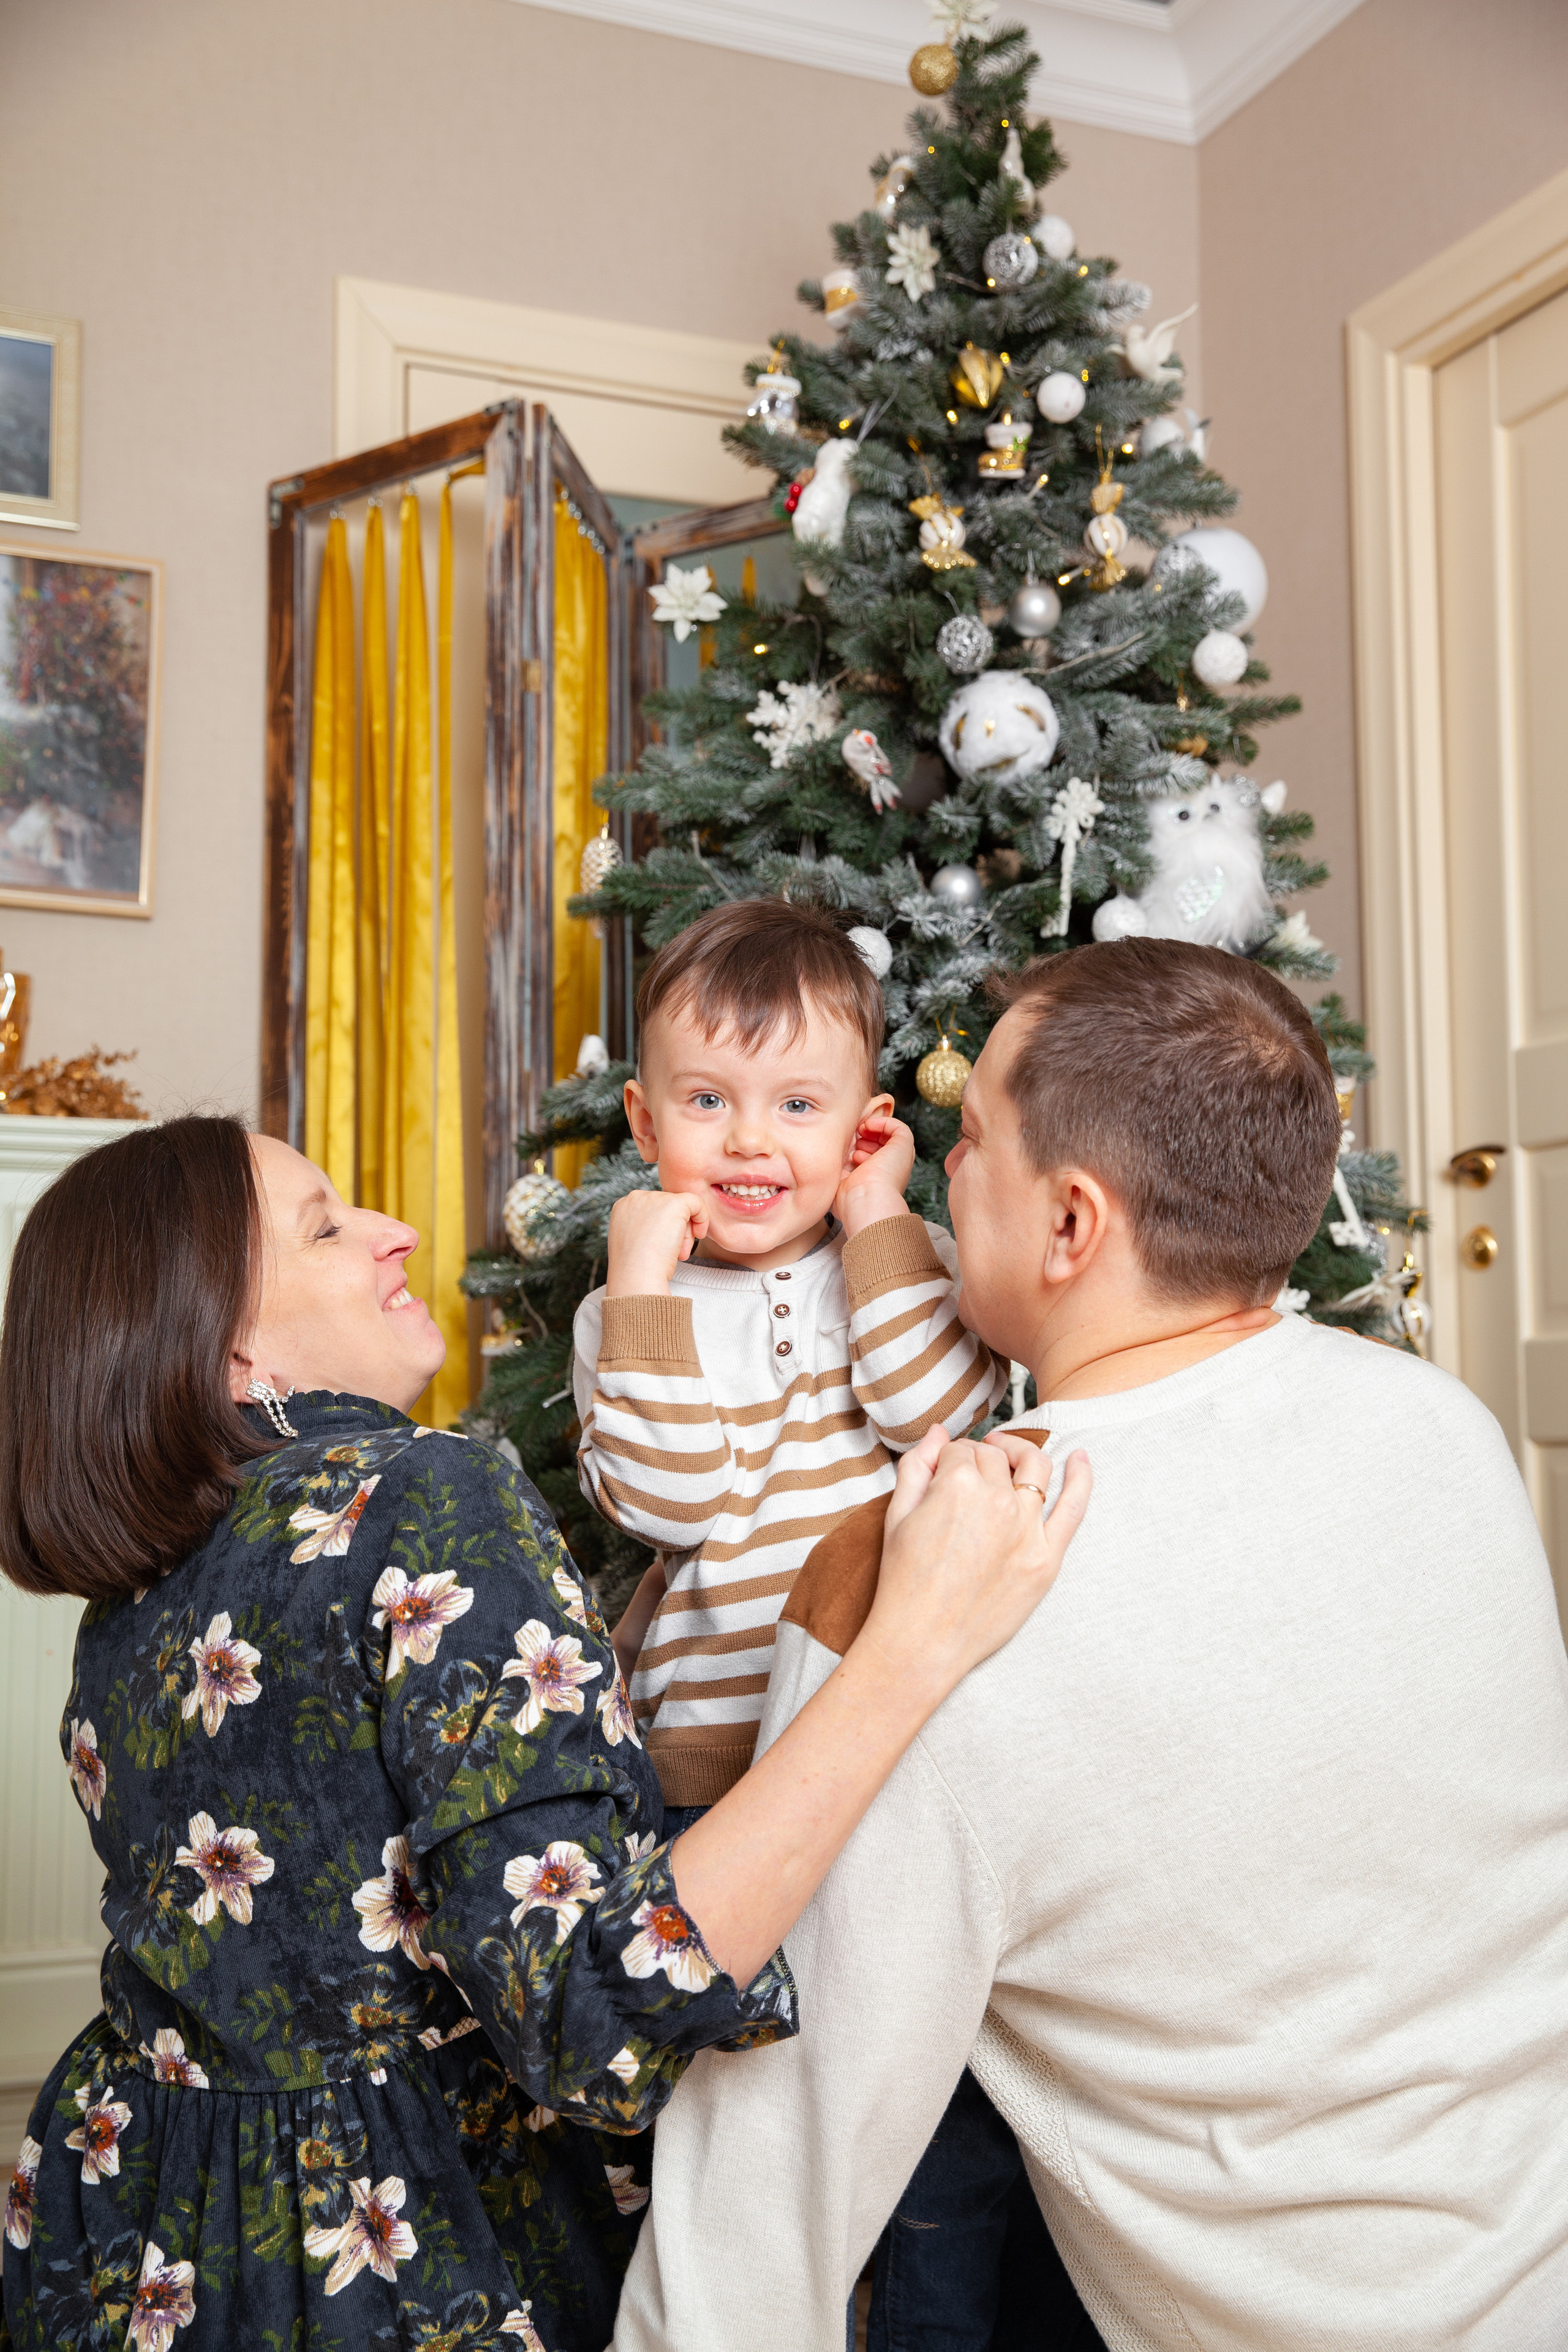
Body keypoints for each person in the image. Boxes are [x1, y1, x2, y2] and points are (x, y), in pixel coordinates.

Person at [613, 938, 1568, 2352]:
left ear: (1069, 1225)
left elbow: (768, 2188)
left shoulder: (931, 1568)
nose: (936, 1167)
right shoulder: (1443, 1426)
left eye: (973, 1139)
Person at [0, 1115, 1088, 2352]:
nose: (395, 1230)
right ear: (228, 1342)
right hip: (402, 2247)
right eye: (326, 1225)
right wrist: (914, 1645)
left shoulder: (141, 1587)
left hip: (136, 2208)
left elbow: (329, 1852)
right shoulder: (421, 1495)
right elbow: (589, 2014)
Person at [573, 899, 1006, 1807]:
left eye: (800, 1105)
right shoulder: (626, 1309)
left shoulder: (897, 1256)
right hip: (713, 1758)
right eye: (706, 1100)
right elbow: (673, 1503)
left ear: (863, 1131)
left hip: (898, 1731)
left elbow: (933, 1413)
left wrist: (878, 1212)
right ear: (647, 1127)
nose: (750, 1139)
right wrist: (643, 1287)